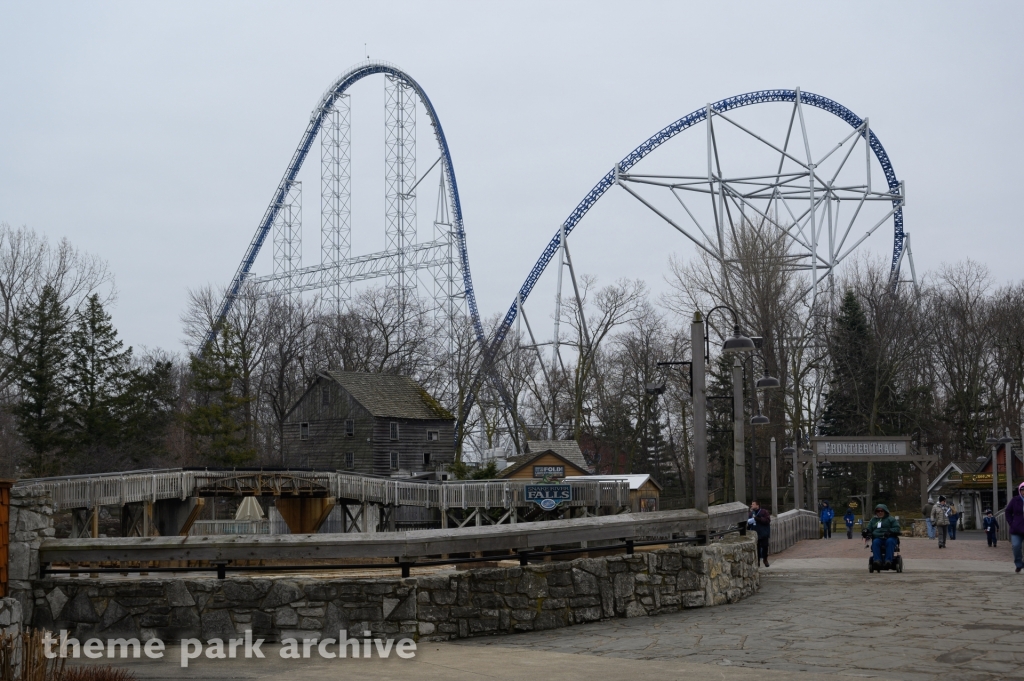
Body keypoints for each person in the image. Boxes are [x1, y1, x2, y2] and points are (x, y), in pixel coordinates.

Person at [1006, 481, 1024, 573]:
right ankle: (1019, 564)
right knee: (1016, 546)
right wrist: (1011, 523)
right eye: (1022, 490)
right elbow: (1008, 511)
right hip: (1016, 528)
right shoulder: (1015, 500)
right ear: (1019, 491)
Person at [748, 500, 772, 568]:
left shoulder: (764, 512)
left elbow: (767, 520)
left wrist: (759, 519)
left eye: (753, 504)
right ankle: (757, 561)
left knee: (765, 546)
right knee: (757, 548)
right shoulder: (751, 513)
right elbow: (748, 522)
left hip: (763, 533)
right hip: (755, 533)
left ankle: (765, 559)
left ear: (757, 505)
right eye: (752, 504)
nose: (752, 505)